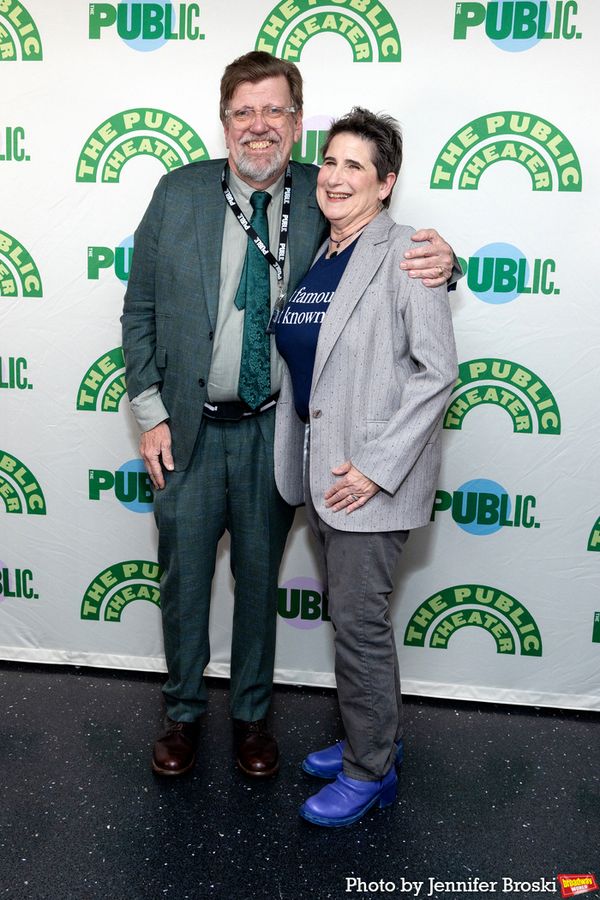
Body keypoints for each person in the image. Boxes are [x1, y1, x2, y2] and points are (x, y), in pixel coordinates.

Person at [121, 51, 457, 780]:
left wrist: (447, 263)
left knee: (257, 581)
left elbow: (385, 252)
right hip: (186, 429)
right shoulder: (176, 194)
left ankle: (250, 718)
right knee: (182, 581)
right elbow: (139, 307)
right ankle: (181, 714)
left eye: (275, 111)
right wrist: (149, 412)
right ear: (224, 121)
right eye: (244, 111)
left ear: (299, 124)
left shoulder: (324, 193)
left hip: (279, 434)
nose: (259, 126)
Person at [273, 108, 458, 825]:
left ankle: (368, 768)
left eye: (356, 165)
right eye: (330, 161)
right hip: (323, 476)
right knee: (356, 619)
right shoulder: (323, 252)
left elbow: (436, 374)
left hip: (367, 483)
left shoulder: (409, 250)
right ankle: (371, 733)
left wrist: (375, 469)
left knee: (359, 625)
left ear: (385, 183)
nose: (337, 176)